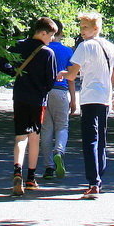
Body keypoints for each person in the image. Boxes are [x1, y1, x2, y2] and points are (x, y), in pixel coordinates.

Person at [58, 12, 114, 199]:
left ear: (96, 28)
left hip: (89, 97)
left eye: (85, 28)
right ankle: (98, 180)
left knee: (90, 139)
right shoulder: (110, 46)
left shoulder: (85, 46)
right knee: (101, 139)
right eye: (81, 28)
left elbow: (72, 74)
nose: (82, 31)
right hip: (104, 98)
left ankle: (93, 183)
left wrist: (63, 74)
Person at [0, 17, 59, 196]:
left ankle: (17, 172)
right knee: (34, 137)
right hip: (38, 100)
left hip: (20, 96)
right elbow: (50, 81)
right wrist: (42, 89)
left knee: (20, 137)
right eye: (51, 35)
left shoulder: (19, 45)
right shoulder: (47, 53)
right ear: (43, 33)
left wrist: (14, 72)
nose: (51, 39)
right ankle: (31, 177)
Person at [40, 19, 76, 180]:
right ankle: (59, 151)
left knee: (46, 130)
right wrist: (73, 99)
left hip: (43, 93)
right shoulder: (67, 51)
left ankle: (48, 168)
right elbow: (71, 78)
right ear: (61, 33)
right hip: (61, 92)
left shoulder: (42, 49)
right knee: (62, 126)